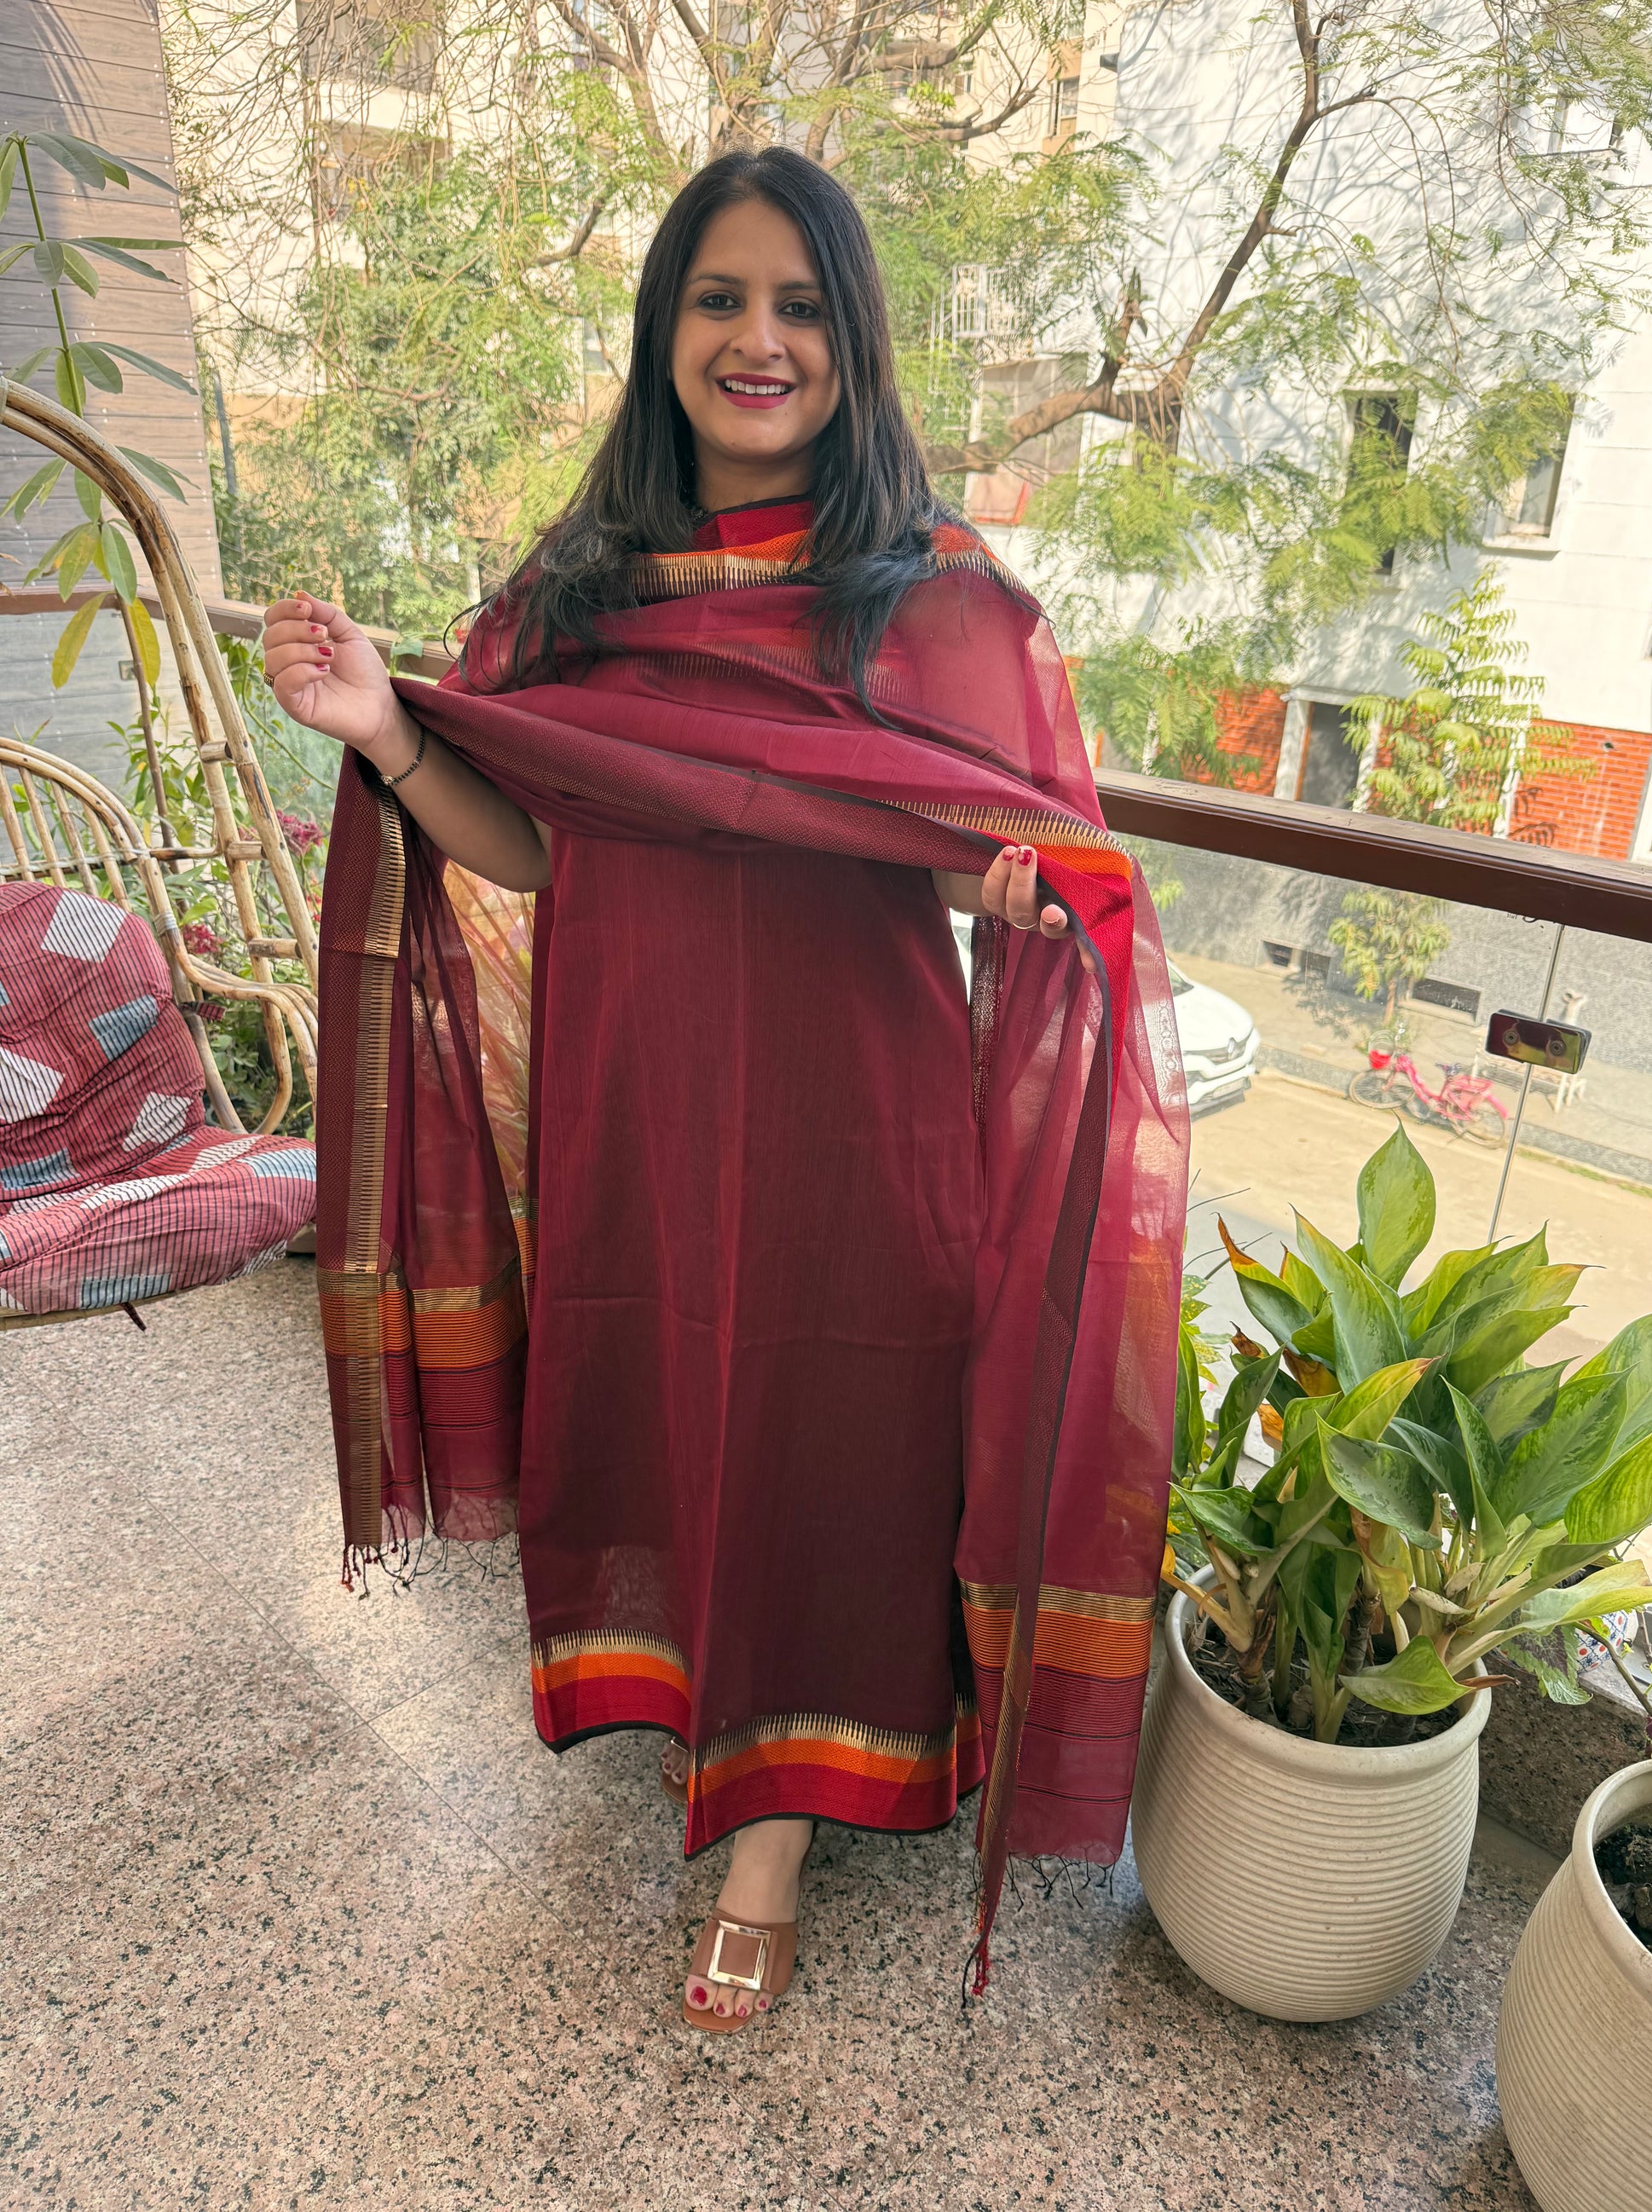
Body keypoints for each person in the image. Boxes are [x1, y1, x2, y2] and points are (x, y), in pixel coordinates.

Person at [263, 147, 1186, 2032]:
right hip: (641, 1104)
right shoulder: (580, 588)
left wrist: (1013, 884)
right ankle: (699, 1709)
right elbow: (530, 843)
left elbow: (972, 852)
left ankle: (771, 1838)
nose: (758, 340)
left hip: (860, 1117)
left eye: (798, 306)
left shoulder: (931, 598)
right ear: (663, 330)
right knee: (665, 1405)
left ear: (853, 343)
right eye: (719, 299)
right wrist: (381, 728)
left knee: (834, 1440)